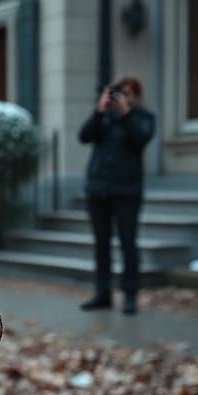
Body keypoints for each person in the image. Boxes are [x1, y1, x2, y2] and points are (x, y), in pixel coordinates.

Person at [78, 75, 155, 314]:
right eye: (119, 93)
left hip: (127, 191)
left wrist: (125, 114)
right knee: (101, 244)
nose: (122, 98)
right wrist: (99, 111)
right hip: (98, 190)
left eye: (128, 94)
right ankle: (103, 293)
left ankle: (130, 295)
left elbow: (141, 138)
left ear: (136, 97)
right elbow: (84, 136)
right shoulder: (104, 118)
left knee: (128, 242)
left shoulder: (143, 117)